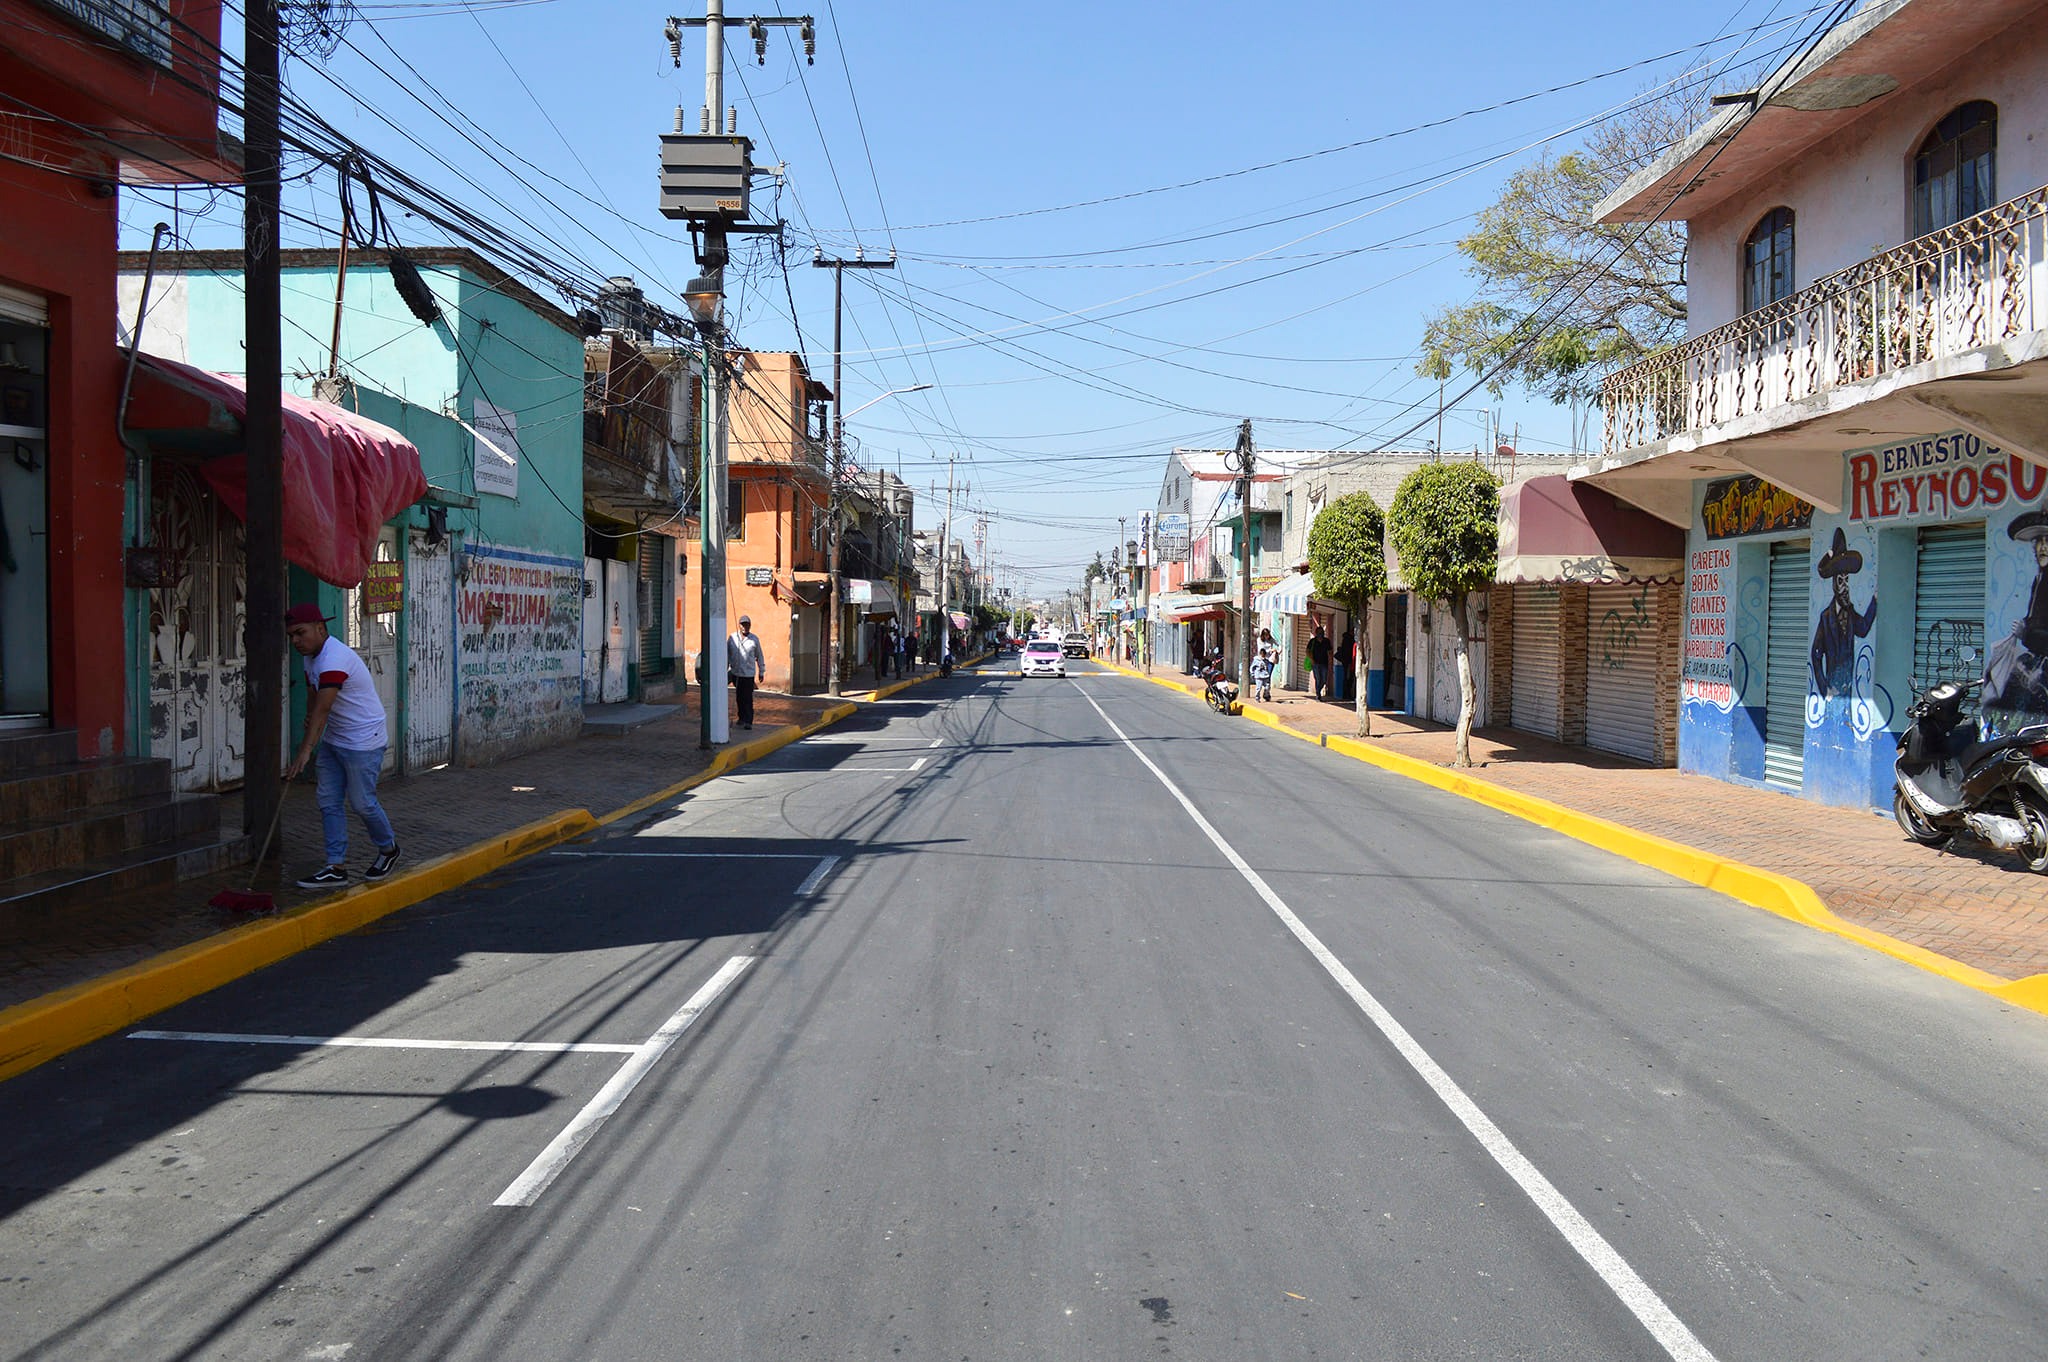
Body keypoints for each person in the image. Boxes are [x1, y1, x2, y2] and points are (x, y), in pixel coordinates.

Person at [284, 602, 399, 890]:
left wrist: (305, 749)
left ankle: (388, 849)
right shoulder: (310, 657)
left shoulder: (334, 658)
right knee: (328, 801)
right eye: (292, 636)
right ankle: (335, 865)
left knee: (362, 803)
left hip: (363, 741)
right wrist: (309, 716)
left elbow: (324, 708)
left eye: (301, 633)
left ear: (320, 629)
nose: (296, 641)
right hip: (336, 739)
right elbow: (314, 694)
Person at [727, 613, 765, 730]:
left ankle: (748, 721)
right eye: (743, 625)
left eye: (747, 625)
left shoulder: (754, 639)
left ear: (750, 626)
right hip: (736, 673)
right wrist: (726, 668)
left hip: (748, 674)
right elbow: (727, 654)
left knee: (748, 697)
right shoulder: (732, 638)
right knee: (739, 697)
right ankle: (741, 718)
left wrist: (761, 671)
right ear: (739, 625)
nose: (745, 627)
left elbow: (759, 655)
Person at [1307, 622, 1333, 700]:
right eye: (1319, 633)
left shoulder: (1326, 641)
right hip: (1315, 663)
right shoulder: (1312, 641)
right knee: (1318, 679)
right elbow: (1308, 651)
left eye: (1322, 633)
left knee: (1324, 680)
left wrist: (1330, 661)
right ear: (1316, 633)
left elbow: (1329, 651)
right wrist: (1311, 659)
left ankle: (1318, 691)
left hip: (1324, 663)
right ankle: (1318, 695)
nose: (1321, 634)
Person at [1251, 627, 1278, 702]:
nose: (1267, 636)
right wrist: (1270, 650)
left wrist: (1278, 651)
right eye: (1266, 635)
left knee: (1268, 676)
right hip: (1262, 660)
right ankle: (1261, 695)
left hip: (1270, 660)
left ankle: (1267, 693)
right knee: (1263, 678)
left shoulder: (1271, 640)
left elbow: (1278, 644)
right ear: (1263, 635)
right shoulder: (1259, 640)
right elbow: (1261, 650)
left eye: (1268, 635)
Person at [1338, 628, 1356, 701]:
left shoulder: (1345, 639)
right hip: (1349, 662)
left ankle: (1346, 694)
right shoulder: (1350, 641)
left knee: (1347, 678)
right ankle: (1347, 694)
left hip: (1347, 662)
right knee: (1348, 678)